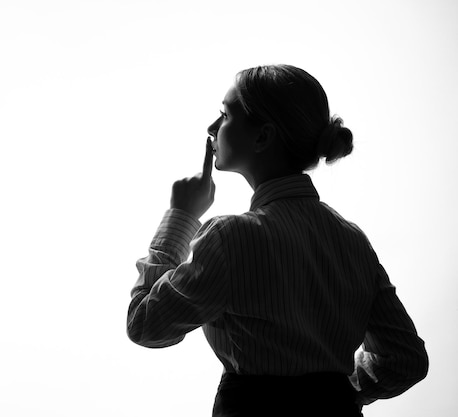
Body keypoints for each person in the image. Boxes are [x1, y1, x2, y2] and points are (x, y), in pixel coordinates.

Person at [126, 64, 428, 416]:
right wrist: (336, 393)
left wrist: (181, 216)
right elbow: (405, 360)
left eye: (224, 115)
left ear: (262, 137)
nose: (211, 128)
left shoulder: (230, 238)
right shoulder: (354, 241)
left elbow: (145, 325)